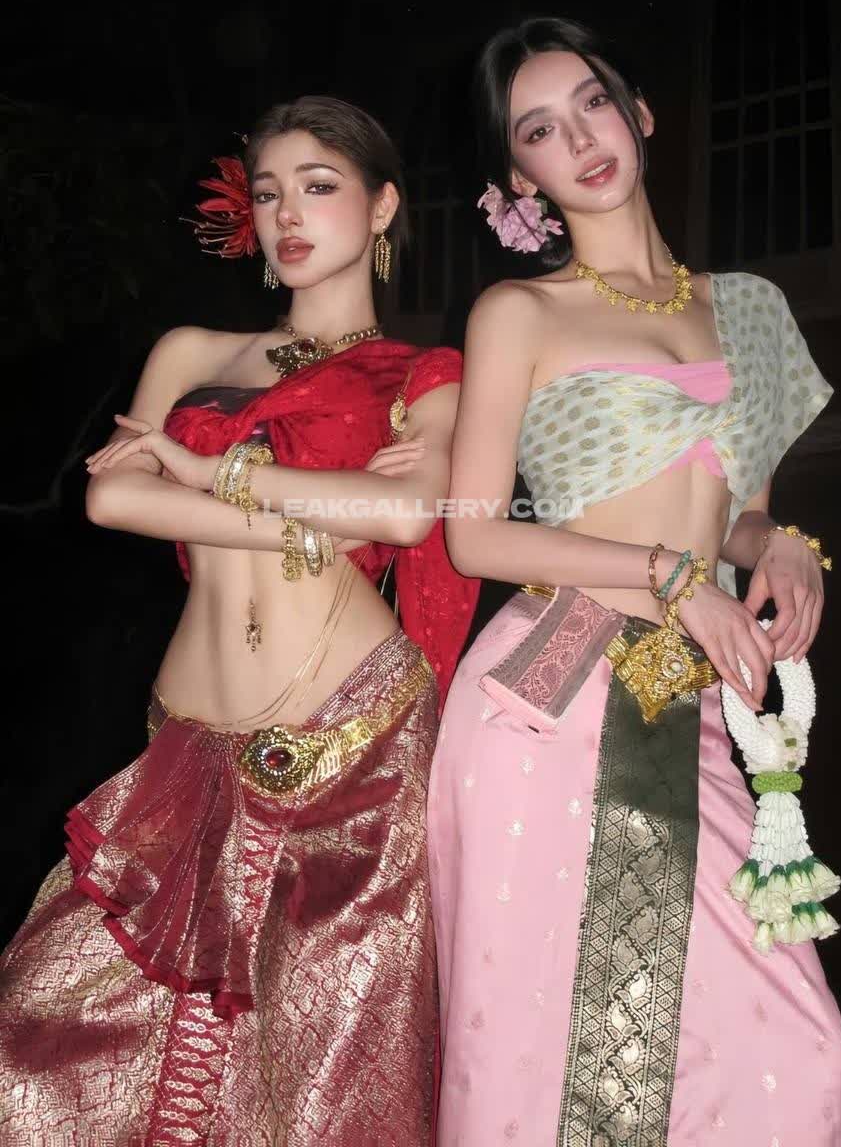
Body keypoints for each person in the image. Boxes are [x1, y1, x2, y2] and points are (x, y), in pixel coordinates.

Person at [0, 95, 478, 1145]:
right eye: (268, 193)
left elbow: (408, 513)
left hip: (356, 741)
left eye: (319, 186)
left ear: (383, 206)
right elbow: (112, 498)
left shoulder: (423, 375)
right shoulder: (193, 350)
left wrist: (203, 470)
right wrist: (320, 509)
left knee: (319, 1094)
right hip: (186, 746)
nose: (287, 214)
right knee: (37, 1041)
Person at [427, 17, 841, 1145]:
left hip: (688, 693)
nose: (580, 139)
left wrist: (781, 543)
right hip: (549, 693)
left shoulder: (749, 308)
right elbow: (475, 538)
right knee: (554, 1076)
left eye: (594, 103)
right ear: (521, 177)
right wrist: (669, 575)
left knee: (798, 1054)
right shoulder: (519, 313)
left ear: (641, 113)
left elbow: (738, 509)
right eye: (539, 130)